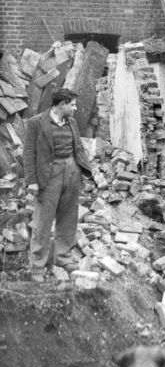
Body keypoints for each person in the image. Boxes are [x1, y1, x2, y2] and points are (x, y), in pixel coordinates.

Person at [23, 88, 94, 282]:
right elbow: (29, 153)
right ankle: (37, 266)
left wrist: (83, 169)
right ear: (61, 104)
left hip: (71, 171)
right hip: (49, 174)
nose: (75, 108)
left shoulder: (71, 122)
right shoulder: (36, 122)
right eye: (72, 104)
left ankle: (62, 257)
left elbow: (77, 147)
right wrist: (32, 181)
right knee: (43, 221)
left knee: (68, 218)